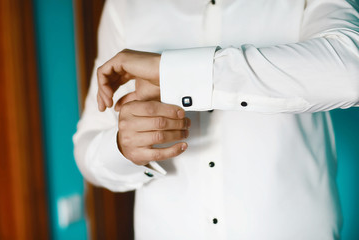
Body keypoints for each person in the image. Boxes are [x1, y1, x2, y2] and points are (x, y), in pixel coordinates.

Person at [73, 0, 359, 239]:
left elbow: (351, 69)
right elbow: (86, 147)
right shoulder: (124, 5)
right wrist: (122, 146)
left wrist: (179, 73)